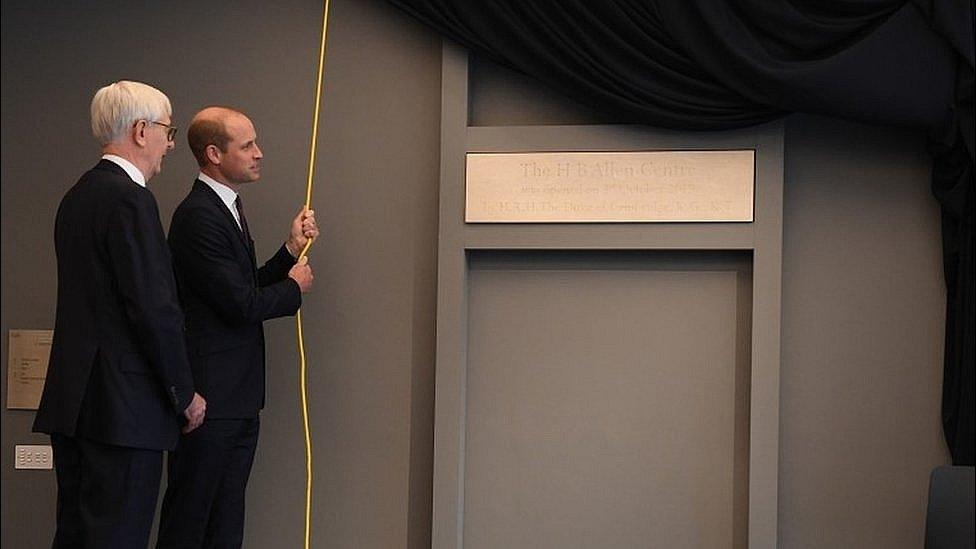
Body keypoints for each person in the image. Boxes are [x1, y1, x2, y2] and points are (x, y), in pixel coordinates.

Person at [32, 80, 207, 548]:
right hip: (125, 412)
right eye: (168, 133)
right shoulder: (131, 199)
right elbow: (153, 309)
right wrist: (184, 393)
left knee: (76, 536)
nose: (170, 145)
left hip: (77, 406)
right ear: (142, 130)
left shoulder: (77, 196)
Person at [156, 106, 316, 548]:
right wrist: (294, 288)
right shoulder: (198, 216)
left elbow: (239, 288)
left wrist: (289, 252)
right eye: (246, 146)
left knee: (225, 523)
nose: (259, 154)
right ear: (213, 153)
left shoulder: (224, 207)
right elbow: (240, 304)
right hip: (210, 401)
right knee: (191, 521)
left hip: (237, 399)